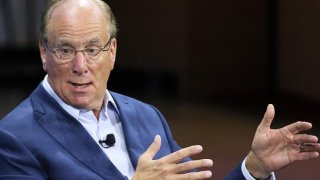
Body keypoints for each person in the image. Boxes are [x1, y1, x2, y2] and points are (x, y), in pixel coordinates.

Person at [0, 0, 319, 179]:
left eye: (93, 49)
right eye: (66, 50)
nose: (80, 65)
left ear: (112, 52)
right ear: (44, 53)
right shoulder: (14, 138)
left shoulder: (146, 117)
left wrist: (254, 168)